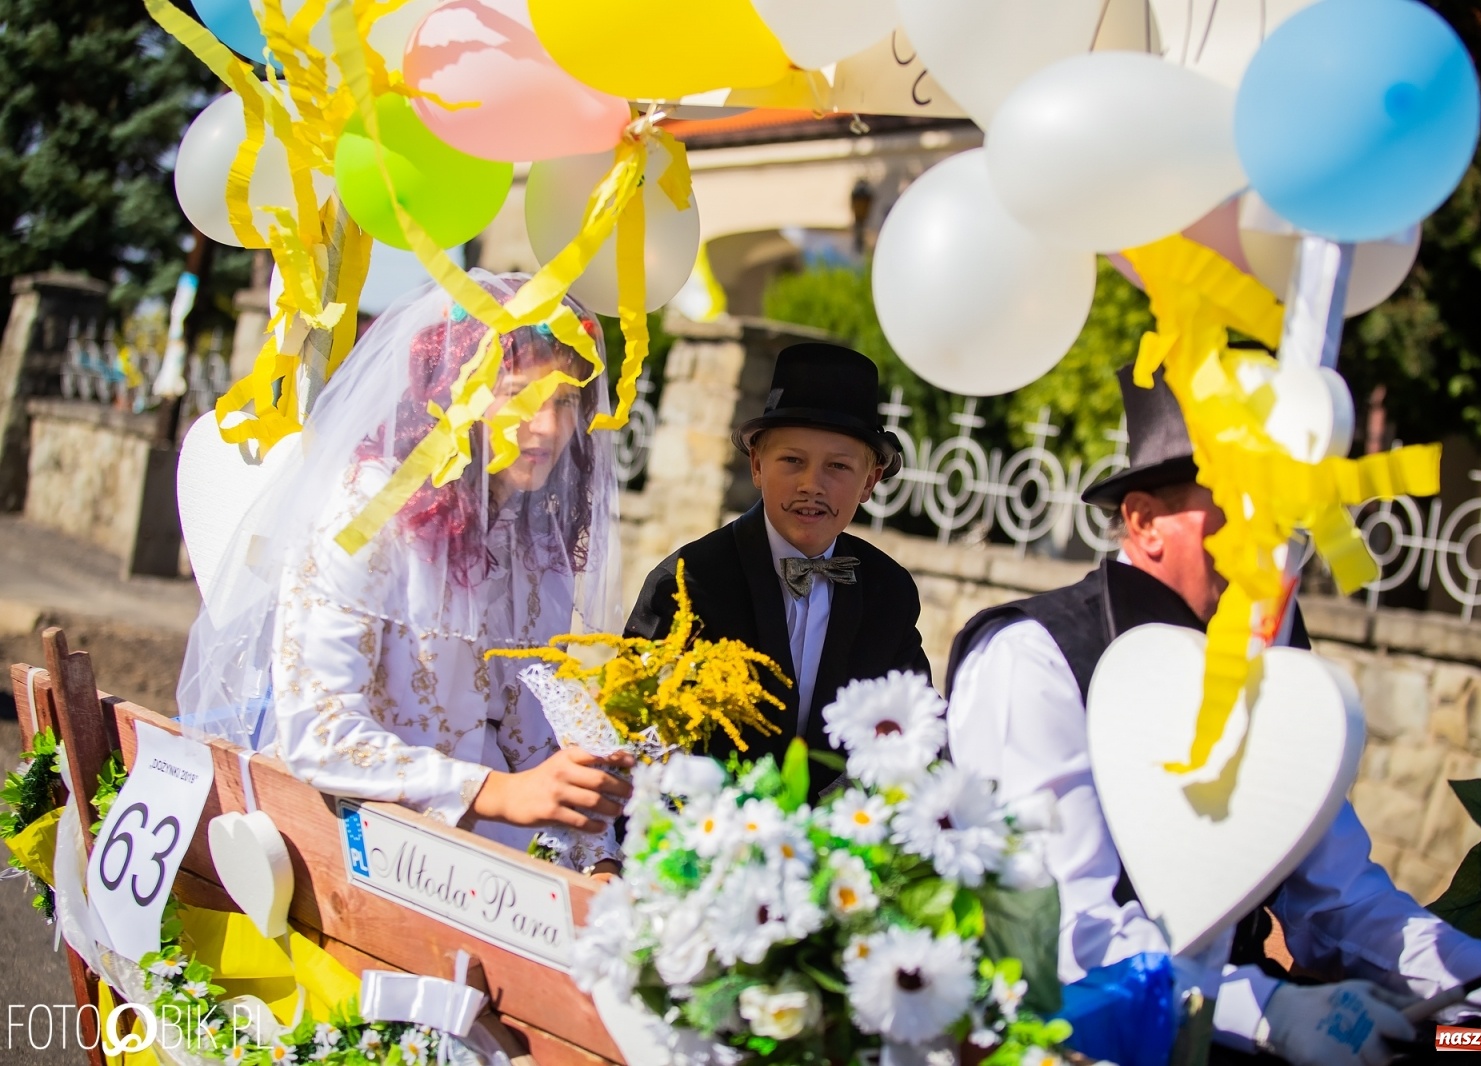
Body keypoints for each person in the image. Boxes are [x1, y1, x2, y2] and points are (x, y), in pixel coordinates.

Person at [945, 365, 1481, 1065]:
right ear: (1144, 521)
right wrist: (1265, 1009)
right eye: (1239, 505)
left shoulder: (1275, 667)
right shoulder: (1035, 658)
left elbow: (1339, 900)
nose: (1269, 543)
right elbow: (1068, 932)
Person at [177, 273, 632, 872]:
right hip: (355, 852)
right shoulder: (368, 515)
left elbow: (536, 733)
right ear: (458, 394)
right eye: (520, 395)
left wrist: (598, 856)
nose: (546, 427)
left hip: (490, 867)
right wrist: (496, 792)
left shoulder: (533, 544)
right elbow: (319, 731)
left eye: (566, 402)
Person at [624, 342, 930, 776]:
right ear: (756, 465)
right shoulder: (690, 582)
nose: (812, 484)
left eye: (838, 467)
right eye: (792, 460)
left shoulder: (889, 592)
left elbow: (919, 727)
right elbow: (636, 726)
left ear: (869, 481)